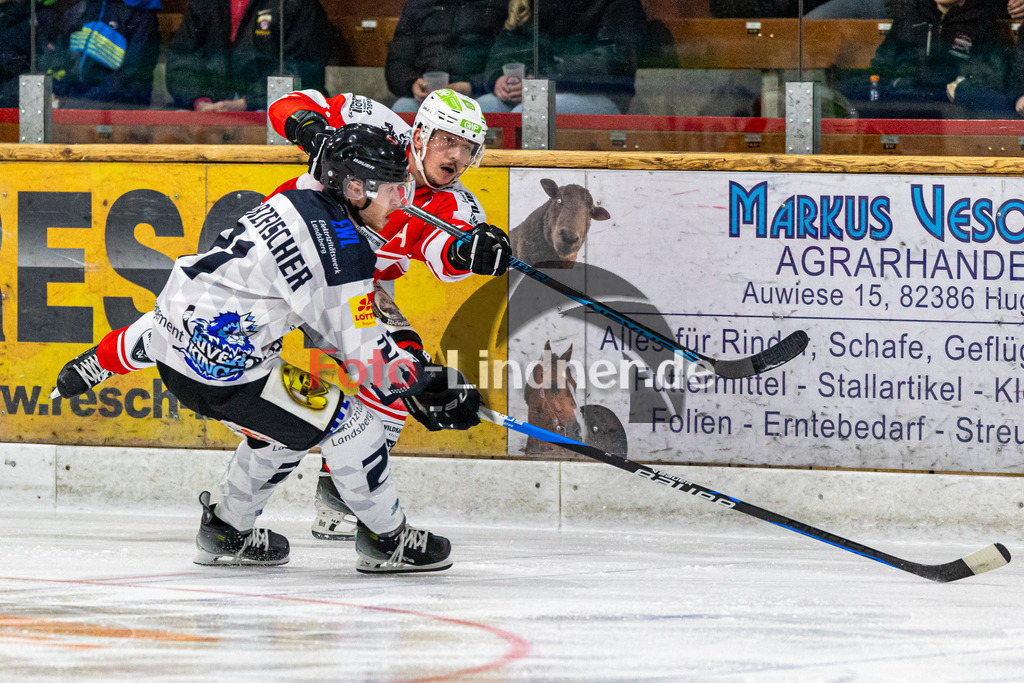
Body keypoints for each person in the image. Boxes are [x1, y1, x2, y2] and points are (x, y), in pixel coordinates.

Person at [51, 88, 510, 541]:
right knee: (350, 396)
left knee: (208, 313)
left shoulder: (453, 204)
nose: (457, 156)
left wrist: (472, 253)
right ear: (419, 134)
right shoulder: (371, 125)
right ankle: (377, 526)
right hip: (320, 264)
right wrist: (421, 381)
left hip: (320, 262)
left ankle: (317, 505)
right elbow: (288, 104)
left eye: (468, 148)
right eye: (448, 141)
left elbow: (446, 251)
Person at [150, 123, 483, 572]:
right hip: (224, 373)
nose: (402, 202)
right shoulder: (343, 250)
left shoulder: (296, 199)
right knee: (355, 427)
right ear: (355, 188)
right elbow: (368, 360)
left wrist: (413, 376)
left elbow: (332, 327)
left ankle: (226, 531)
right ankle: (388, 541)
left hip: (175, 346)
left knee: (287, 428)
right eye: (392, 189)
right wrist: (426, 382)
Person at [839, 0, 1013, 119]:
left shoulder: (981, 22)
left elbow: (992, 74)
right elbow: (881, 67)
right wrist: (894, 84)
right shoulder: (911, 18)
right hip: (905, 107)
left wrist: (962, 87)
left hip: (954, 113)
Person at [476, 0, 646, 115]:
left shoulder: (619, 4)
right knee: (484, 109)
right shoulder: (533, 4)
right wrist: (499, 79)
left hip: (599, 95)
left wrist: (544, 80)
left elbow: (612, 60)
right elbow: (504, 51)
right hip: (537, 91)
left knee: (528, 116)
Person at [164, 0, 334, 112]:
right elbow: (180, 59)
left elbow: (303, 67)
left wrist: (246, 103)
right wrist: (200, 101)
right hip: (208, 112)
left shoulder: (296, 3)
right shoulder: (204, 3)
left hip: (272, 111)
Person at [385, 0, 507, 113]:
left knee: (490, 106)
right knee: (403, 107)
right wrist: (412, 83)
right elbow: (397, 61)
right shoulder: (419, 4)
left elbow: (506, 59)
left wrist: (472, 86)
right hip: (428, 95)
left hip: (478, 93)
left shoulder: (497, 4)